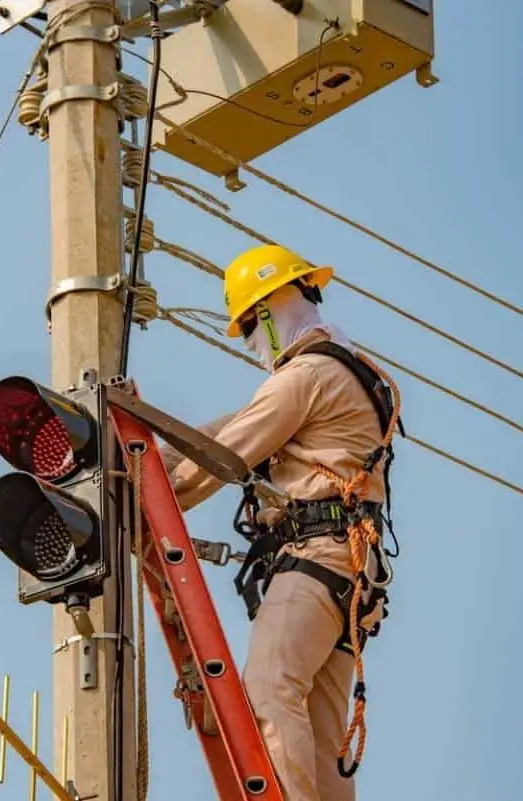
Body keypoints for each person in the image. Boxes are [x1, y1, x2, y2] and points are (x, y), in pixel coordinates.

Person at [165, 243, 401, 801]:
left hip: (317, 561)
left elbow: (227, 455)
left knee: (270, 690)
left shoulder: (306, 376)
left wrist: (152, 493)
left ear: (270, 309)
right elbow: (234, 427)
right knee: (320, 742)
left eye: (249, 325)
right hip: (349, 579)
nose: (251, 342)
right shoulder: (344, 371)